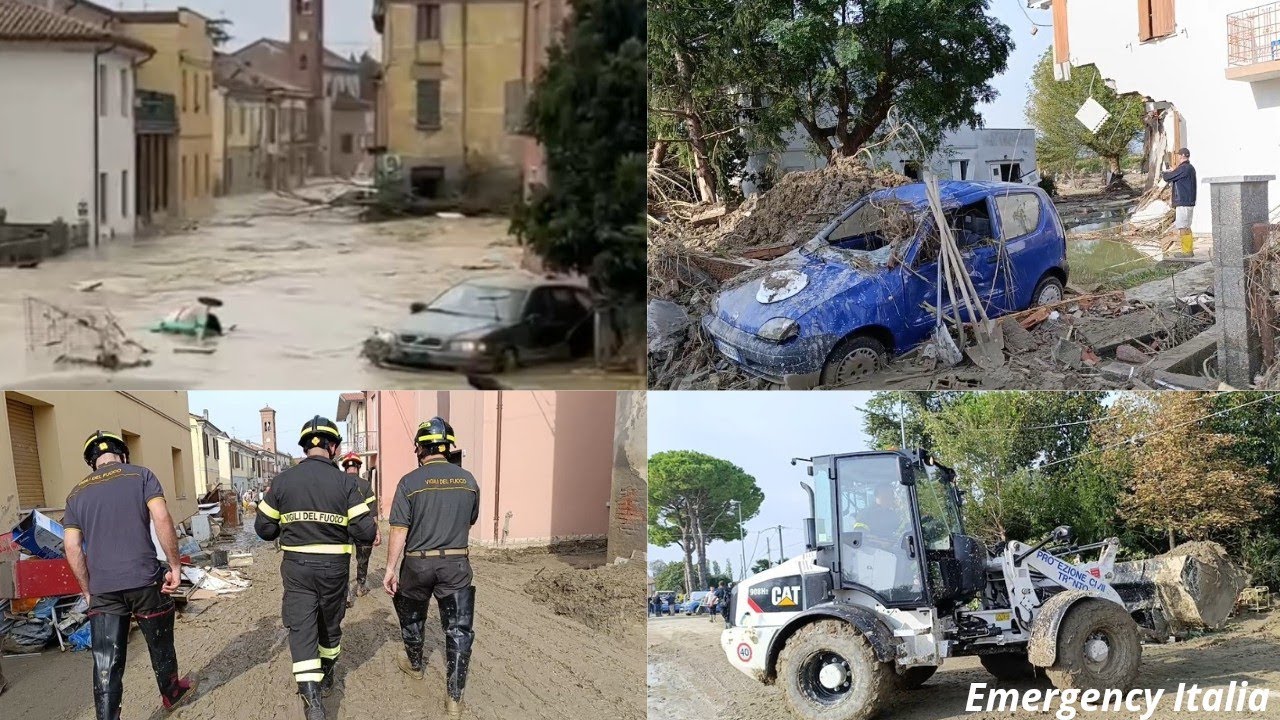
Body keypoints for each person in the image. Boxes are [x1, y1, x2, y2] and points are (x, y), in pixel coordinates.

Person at [62, 431, 196, 719]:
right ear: (122, 454)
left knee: (106, 661)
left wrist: (88, 591)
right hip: (145, 580)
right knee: (160, 643)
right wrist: (174, 566)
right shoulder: (141, 476)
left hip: (103, 589)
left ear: (92, 462)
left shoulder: (75, 494)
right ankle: (171, 693)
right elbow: (161, 517)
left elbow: (71, 547)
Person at [255, 417, 376, 720]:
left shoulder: (283, 480)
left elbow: (263, 529)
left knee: (302, 630)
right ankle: (328, 674)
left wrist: (289, 523)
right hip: (334, 570)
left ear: (305, 447)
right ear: (333, 447)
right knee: (330, 627)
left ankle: (314, 706)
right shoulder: (347, 483)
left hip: (297, 570)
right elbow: (366, 534)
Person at [384, 417, 478, 719]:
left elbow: (399, 529)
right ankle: (454, 698)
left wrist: (389, 568)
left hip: (417, 563)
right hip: (456, 563)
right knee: (459, 630)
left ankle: (414, 665)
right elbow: (471, 519)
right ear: (447, 447)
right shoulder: (469, 480)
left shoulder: (409, 482)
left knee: (413, 618)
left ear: (419, 449)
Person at [339, 452, 381, 607]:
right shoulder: (365, 485)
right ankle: (361, 587)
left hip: (343, 529)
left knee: (343, 562)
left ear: (345, 468)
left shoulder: (339, 483)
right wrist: (376, 531)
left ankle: (346, 595)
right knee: (362, 559)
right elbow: (373, 510)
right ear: (358, 466)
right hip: (363, 529)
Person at [1161, 147, 1197, 257]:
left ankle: (1187, 252)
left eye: (1178, 155)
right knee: (1186, 226)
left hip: (1183, 202)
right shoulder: (1188, 168)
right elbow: (1176, 175)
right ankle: (1188, 250)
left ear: (1181, 156)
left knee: (1183, 227)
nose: (1178, 157)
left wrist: (1166, 172)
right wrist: (1174, 171)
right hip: (1187, 201)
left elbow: (1168, 178)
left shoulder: (1184, 168)